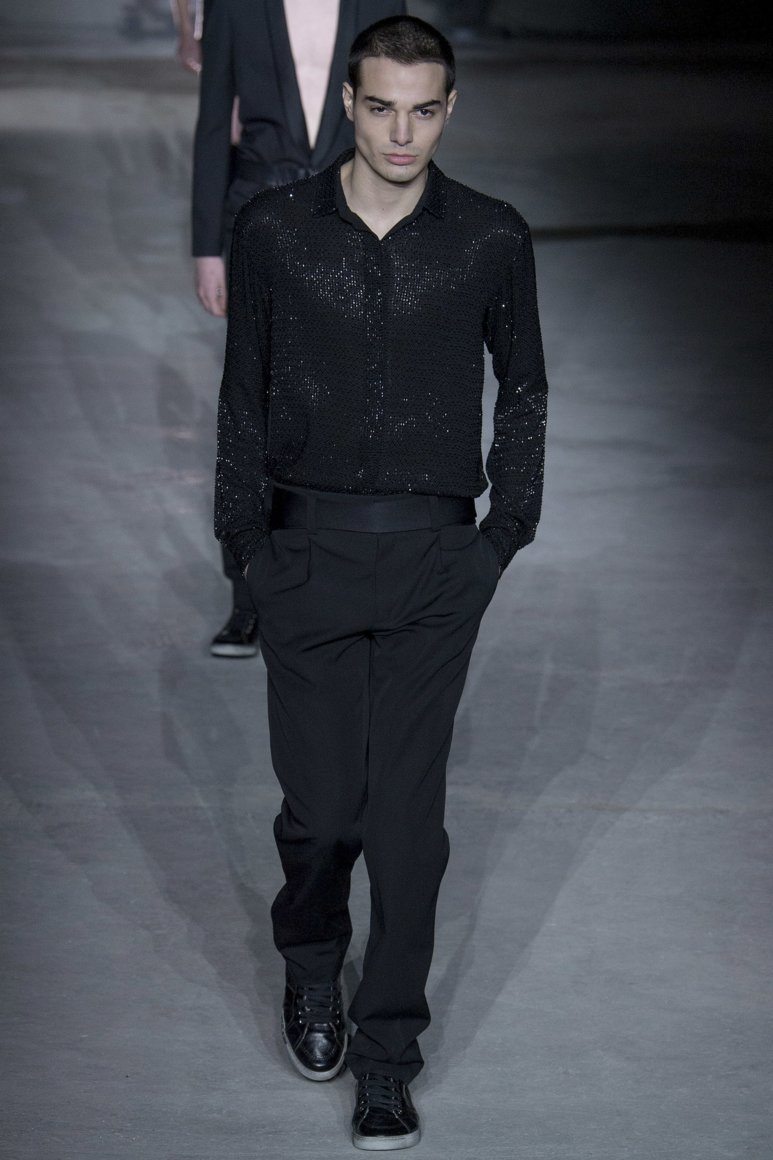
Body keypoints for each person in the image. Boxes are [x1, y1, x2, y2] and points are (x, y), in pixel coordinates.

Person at [215, 14, 548, 1149]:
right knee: (320, 816)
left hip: (432, 565)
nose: (401, 133)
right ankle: (312, 965)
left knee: (408, 831)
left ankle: (386, 1054)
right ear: (347, 106)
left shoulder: (489, 236)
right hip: (304, 552)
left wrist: (500, 537)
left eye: (423, 110)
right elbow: (242, 395)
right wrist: (247, 548)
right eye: (380, 108)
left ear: (447, 111)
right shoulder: (274, 229)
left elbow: (525, 391)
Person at [192, 0, 406, 657]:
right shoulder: (236, 9)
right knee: (253, 417)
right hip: (258, 219)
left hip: (356, 222)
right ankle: (249, 599)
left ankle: (342, 594)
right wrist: (206, 248)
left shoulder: (379, 4)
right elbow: (212, 124)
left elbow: (402, 120)